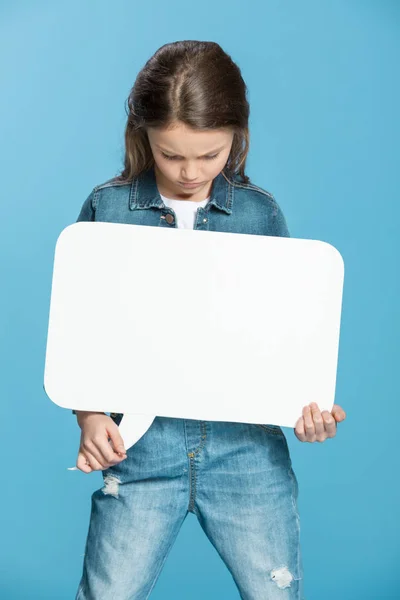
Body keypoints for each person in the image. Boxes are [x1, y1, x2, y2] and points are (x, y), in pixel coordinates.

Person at [73, 40, 346, 600]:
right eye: (172, 154)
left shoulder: (260, 213)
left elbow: (285, 335)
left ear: (237, 137)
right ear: (142, 133)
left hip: (248, 452)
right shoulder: (107, 208)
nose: (191, 171)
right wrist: (89, 415)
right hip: (141, 447)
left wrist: (306, 406)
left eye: (211, 154)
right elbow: (82, 330)